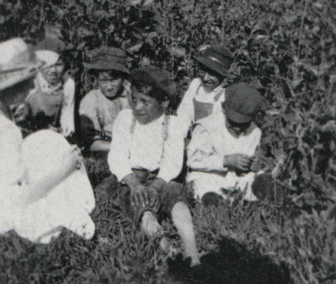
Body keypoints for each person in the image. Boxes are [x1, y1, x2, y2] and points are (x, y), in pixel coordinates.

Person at [0, 38, 95, 243]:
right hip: (7, 211)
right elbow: (16, 199)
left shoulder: (5, 114)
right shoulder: (5, 130)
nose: (31, 88)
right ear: (10, 87)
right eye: (26, 83)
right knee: (59, 160)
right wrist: (65, 170)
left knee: (47, 140)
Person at [108, 66, 200, 266]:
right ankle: (167, 248)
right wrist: (134, 184)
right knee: (142, 208)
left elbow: (172, 160)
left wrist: (157, 186)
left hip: (162, 177)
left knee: (177, 199)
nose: (138, 107)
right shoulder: (126, 119)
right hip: (132, 178)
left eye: (145, 102)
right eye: (134, 99)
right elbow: (117, 156)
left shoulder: (173, 124)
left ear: (164, 103)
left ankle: (192, 253)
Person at [187, 82, 266, 205]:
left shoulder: (255, 131)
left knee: (259, 180)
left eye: (244, 124)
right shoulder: (208, 127)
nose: (238, 128)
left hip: (237, 179)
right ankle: (213, 203)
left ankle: (257, 202)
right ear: (223, 108)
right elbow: (193, 160)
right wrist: (226, 160)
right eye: (233, 122)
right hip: (211, 177)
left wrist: (254, 165)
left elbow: (253, 157)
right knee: (205, 187)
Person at [21, 37, 75, 139]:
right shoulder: (31, 83)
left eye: (58, 65)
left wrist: (65, 134)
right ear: (39, 65)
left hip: (52, 136)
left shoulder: (67, 84)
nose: (53, 71)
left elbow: (67, 115)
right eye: (48, 65)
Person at [79, 46, 129, 152]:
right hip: (106, 147)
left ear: (123, 78)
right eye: (104, 81)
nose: (109, 87)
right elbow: (90, 142)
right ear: (96, 79)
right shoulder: (91, 100)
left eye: (114, 80)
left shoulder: (132, 96)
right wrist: (121, 149)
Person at [177, 45, 234, 138]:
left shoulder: (224, 95)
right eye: (203, 72)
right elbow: (183, 116)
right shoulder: (196, 85)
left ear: (222, 75)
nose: (206, 78)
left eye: (212, 74)